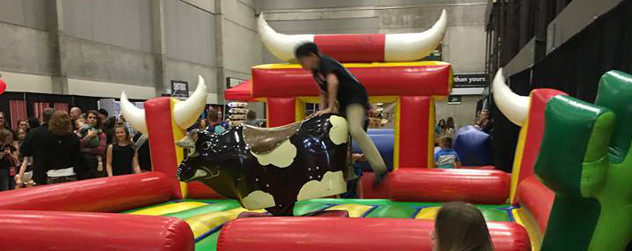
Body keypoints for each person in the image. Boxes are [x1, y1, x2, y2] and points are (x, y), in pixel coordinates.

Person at [295, 42, 388, 186]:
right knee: (335, 133)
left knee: (355, 130)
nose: (301, 65)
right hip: (343, 103)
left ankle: (380, 169)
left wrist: (330, 108)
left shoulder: (325, 62)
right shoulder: (315, 71)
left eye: (302, 61)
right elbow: (323, 92)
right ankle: (346, 173)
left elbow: (333, 82)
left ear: (312, 56)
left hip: (355, 98)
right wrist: (321, 111)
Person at [16, 108, 55, 187]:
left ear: (41, 118)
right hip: (57, 172)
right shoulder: (60, 132)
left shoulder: (32, 133)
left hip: (39, 173)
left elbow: (24, 153)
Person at [43, 111, 82, 184]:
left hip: (52, 174)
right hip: (70, 172)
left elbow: (44, 157)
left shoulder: (46, 137)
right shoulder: (73, 137)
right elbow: (78, 157)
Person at [80, 110, 107, 178]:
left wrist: (84, 150)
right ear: (86, 119)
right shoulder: (80, 132)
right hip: (83, 166)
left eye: (94, 118)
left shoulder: (101, 134)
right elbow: (78, 146)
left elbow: (101, 150)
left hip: (96, 166)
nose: (92, 119)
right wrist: (89, 137)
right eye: (90, 117)